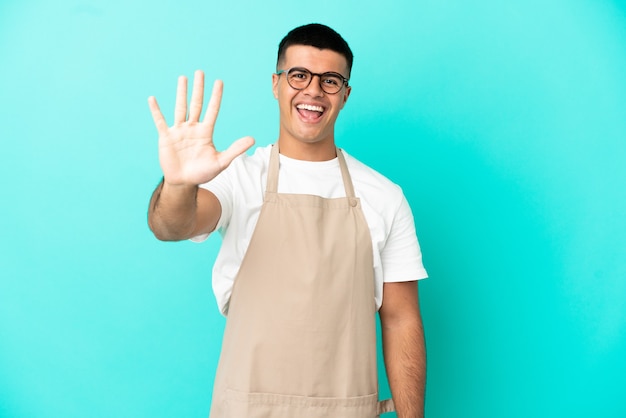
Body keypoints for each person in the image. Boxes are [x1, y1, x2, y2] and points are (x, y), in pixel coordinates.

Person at [147, 23, 428, 418]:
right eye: (299, 75)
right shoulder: (239, 178)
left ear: (345, 95)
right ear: (276, 84)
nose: (313, 90)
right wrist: (178, 184)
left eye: (330, 80)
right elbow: (171, 226)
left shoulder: (384, 196)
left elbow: (401, 320)